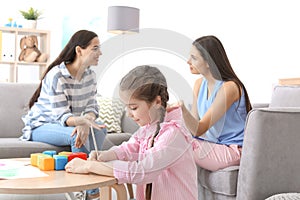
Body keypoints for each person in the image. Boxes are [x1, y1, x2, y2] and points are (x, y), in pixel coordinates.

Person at [65, 65, 198, 200]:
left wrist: (90, 166)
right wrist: (104, 155)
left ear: (157, 101)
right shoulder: (149, 127)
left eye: (133, 107)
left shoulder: (173, 134)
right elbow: (127, 149)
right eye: (126, 107)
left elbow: (142, 171)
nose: (128, 114)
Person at [21, 30, 107, 200]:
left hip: (70, 123)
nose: (100, 53)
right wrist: (81, 123)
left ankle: (89, 186)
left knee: (100, 129)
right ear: (79, 50)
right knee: (74, 135)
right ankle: (87, 192)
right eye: (95, 48)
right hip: (42, 125)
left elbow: (92, 107)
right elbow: (63, 117)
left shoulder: (90, 75)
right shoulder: (57, 75)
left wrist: (86, 121)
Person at [169, 35, 252, 171]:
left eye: (194, 58)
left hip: (233, 150)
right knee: (168, 139)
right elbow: (193, 128)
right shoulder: (199, 84)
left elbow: (200, 128)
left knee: (174, 144)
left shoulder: (229, 88)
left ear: (208, 62)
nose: (188, 61)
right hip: (213, 145)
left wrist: (182, 109)